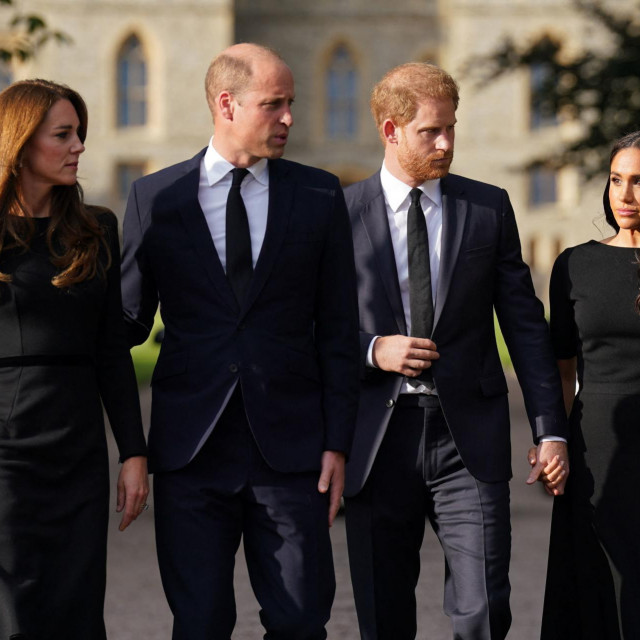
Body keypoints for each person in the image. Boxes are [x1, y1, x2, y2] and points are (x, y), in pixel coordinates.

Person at [120, 43, 359, 639]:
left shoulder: (320, 194)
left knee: (301, 620)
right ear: (226, 104)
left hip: (292, 452)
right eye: (273, 104)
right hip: (189, 451)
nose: (289, 119)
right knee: (199, 624)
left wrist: (337, 442)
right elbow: (122, 326)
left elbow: (337, 329)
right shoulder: (156, 198)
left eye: (291, 104)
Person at [342, 62, 569, 640]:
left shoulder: (487, 209)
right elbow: (307, 328)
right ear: (391, 131)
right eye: (430, 132)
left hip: (468, 442)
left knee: (485, 612)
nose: (445, 144)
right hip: (377, 441)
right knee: (382, 615)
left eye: (451, 129)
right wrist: (372, 350)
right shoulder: (338, 216)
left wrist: (550, 428)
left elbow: (524, 325)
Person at [0, 79, 149, 640]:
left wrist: (133, 452)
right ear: (20, 144)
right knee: (13, 608)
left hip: (78, 449)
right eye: (63, 135)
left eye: (79, 134)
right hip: (5, 452)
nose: (78, 146)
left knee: (76, 606)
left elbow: (112, 350)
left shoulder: (97, 230)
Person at [537, 132, 640, 639]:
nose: (626, 195)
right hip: (595, 445)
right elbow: (560, 368)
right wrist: (551, 441)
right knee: (596, 584)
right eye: (617, 179)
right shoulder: (575, 264)